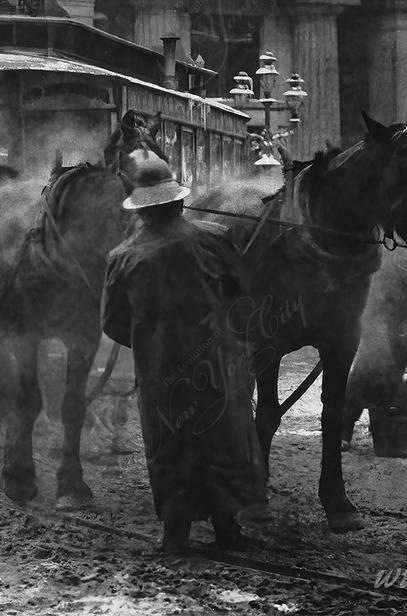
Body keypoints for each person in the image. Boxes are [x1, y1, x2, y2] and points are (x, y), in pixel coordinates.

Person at [101, 150, 266, 555]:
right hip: (215, 364)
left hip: (160, 372)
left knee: (170, 446)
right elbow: (243, 293)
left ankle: (175, 535)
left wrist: (148, 343)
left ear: (141, 209)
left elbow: (112, 322)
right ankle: (227, 529)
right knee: (221, 440)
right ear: (177, 201)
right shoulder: (214, 238)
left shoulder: (121, 258)